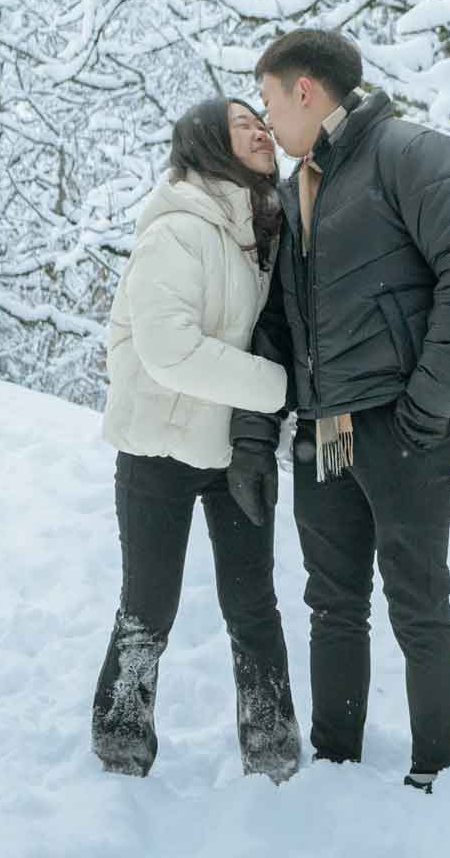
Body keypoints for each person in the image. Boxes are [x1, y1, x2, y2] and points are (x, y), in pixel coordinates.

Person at [227, 29, 450, 795]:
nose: (266, 119)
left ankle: (434, 775)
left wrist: (429, 404)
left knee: (417, 601)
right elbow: (276, 331)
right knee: (333, 603)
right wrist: (255, 440)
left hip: (400, 423)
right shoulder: (292, 196)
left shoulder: (411, 155)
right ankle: (337, 766)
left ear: (306, 91)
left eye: (269, 99)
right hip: (327, 431)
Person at [92, 98, 301, 781]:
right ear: (208, 143)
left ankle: (271, 748)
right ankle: (121, 741)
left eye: (262, 123)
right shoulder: (178, 230)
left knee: (254, 604)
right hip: (157, 446)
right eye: (243, 125)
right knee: (148, 604)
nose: (261, 131)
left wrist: (256, 431)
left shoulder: (261, 231)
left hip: (231, 450)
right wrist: (279, 389)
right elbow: (169, 350)